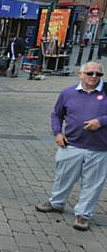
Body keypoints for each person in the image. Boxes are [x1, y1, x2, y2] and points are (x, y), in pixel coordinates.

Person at [35, 62, 107, 231]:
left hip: (100, 148)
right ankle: (56, 203)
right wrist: (57, 133)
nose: (94, 77)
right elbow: (56, 114)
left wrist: (101, 121)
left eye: (99, 74)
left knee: (93, 183)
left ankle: (83, 215)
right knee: (63, 176)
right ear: (80, 74)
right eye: (90, 73)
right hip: (71, 144)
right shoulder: (68, 93)